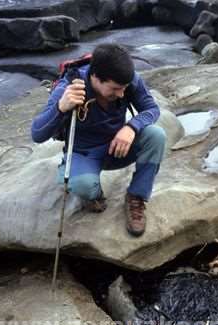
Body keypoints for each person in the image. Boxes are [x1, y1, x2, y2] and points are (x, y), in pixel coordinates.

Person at [31, 43, 166, 237]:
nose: (121, 93)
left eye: (124, 88)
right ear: (95, 76)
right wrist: (61, 107)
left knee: (156, 136)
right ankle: (91, 192)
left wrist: (131, 127)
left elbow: (152, 109)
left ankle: (136, 197)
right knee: (83, 186)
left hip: (117, 147)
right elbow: (37, 134)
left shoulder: (127, 80)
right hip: (83, 153)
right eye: (115, 89)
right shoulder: (70, 88)